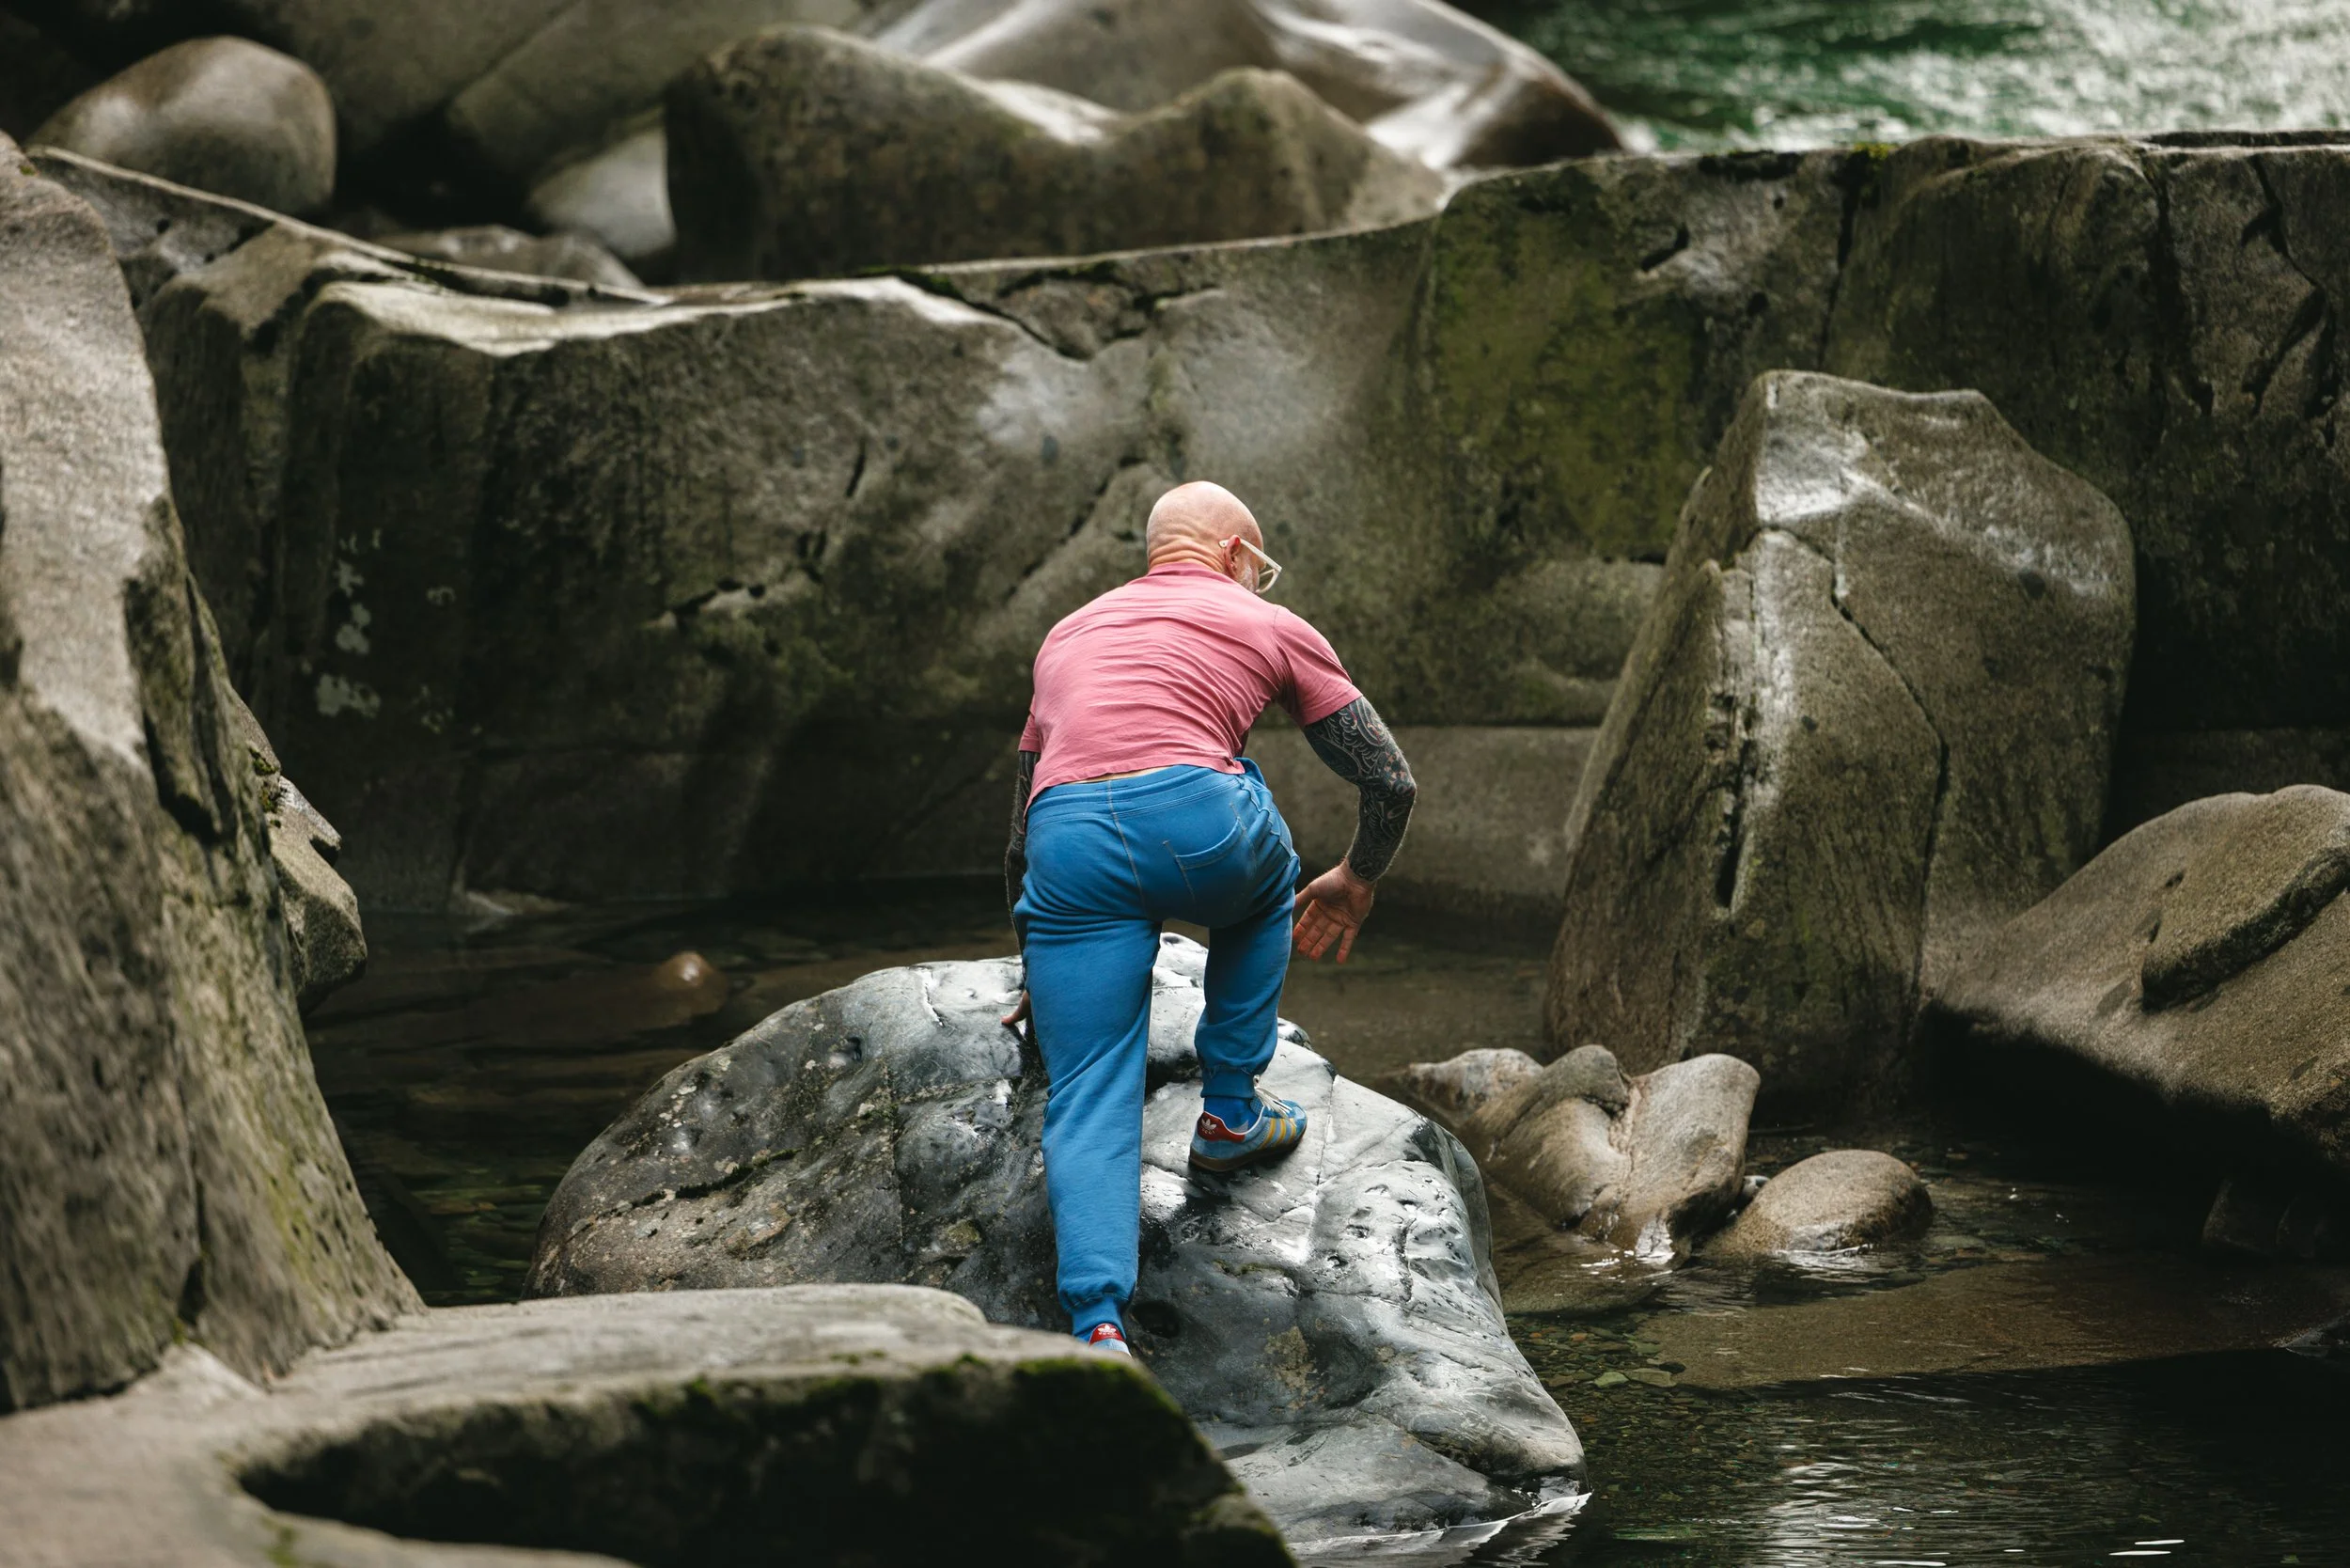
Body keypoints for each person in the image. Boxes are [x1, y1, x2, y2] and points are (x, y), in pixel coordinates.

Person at [1001, 479, 1417, 1357]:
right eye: (1258, 565)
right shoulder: (1267, 620)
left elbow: (1019, 831)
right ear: (1235, 554)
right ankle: (1229, 1112)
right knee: (1269, 883)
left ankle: (1097, 1326)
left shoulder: (1067, 633)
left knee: (1087, 1089)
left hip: (1065, 843)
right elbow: (1389, 779)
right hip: (1197, 826)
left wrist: (1036, 963)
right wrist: (1357, 876)